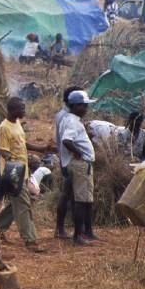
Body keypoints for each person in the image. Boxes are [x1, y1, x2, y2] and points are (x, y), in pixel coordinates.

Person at [0, 97, 49, 252]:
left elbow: (22, 143)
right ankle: (30, 240)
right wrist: (13, 164)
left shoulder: (17, 123)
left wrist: (41, 148)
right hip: (13, 174)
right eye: (22, 109)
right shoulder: (3, 128)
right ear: (12, 110)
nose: (24, 111)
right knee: (24, 205)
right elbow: (3, 151)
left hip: (22, 171)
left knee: (16, 204)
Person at [61, 90, 98, 245]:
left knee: (86, 200)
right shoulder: (73, 122)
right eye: (84, 106)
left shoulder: (72, 119)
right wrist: (79, 153)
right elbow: (66, 140)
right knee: (81, 201)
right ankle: (78, 236)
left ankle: (87, 232)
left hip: (83, 165)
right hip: (81, 165)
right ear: (76, 106)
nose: (86, 109)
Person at [54, 86, 83, 239]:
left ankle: (64, 228)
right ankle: (60, 229)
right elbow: (65, 140)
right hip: (68, 159)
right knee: (66, 194)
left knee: (69, 194)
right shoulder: (65, 116)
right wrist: (77, 152)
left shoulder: (63, 114)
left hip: (66, 158)